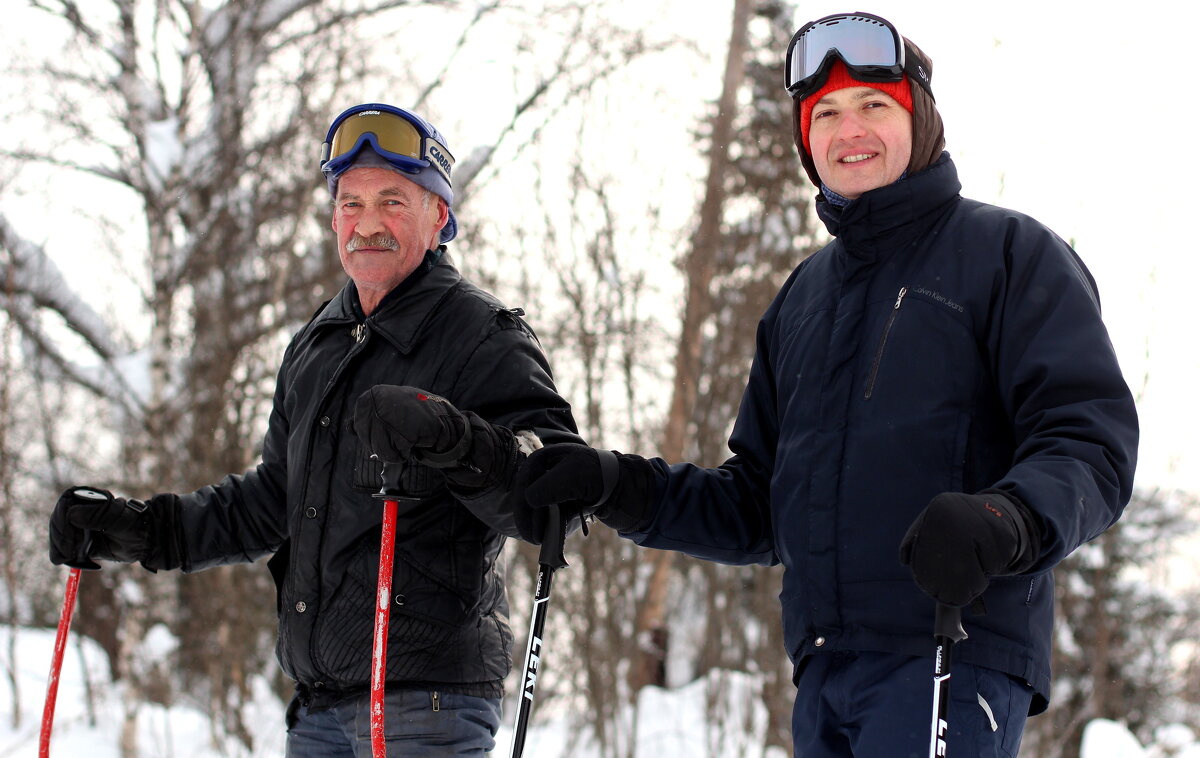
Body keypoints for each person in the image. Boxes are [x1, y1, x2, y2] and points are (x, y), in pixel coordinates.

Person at [505, 12, 1138, 757]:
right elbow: (759, 506)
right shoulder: (802, 298)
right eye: (825, 114)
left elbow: (1090, 444)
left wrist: (1007, 517)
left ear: (921, 118)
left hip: (951, 653)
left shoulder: (1009, 253)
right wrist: (618, 485)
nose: (849, 131)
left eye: (874, 105)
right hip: (824, 672)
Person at [48, 103, 581, 757]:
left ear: (438, 216)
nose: (366, 225)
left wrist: (453, 439)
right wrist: (146, 530)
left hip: (426, 705)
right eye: (351, 204)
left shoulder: (482, 334)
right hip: (318, 708)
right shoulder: (317, 346)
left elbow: (557, 489)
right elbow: (274, 502)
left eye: (392, 202)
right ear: (334, 218)